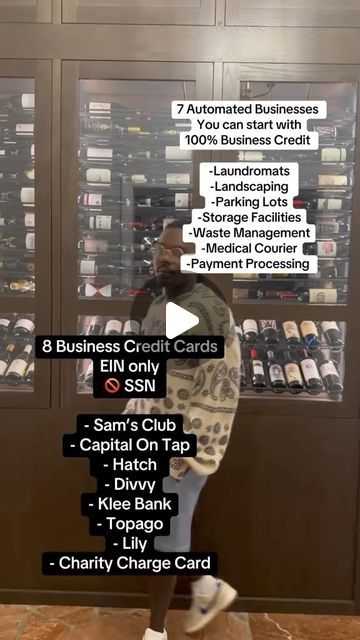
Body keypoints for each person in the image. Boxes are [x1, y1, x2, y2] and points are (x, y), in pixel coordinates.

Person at [123, 221, 241, 640]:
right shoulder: (158, 304)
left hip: (180, 451)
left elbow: (220, 393)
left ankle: (155, 631)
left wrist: (188, 453)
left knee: (165, 543)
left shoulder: (211, 313)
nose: (166, 256)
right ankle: (211, 590)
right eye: (162, 248)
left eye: (179, 250)